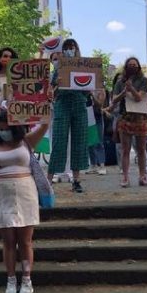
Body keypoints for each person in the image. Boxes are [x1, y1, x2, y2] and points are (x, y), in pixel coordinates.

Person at [0, 110, 49, 293]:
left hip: (25, 192)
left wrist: (43, 104)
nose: (4, 132)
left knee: (25, 241)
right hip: (2, 194)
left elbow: (45, 125)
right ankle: (10, 279)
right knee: (8, 241)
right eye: (0, 129)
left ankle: (26, 279)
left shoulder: (26, 141)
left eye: (7, 129)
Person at [48, 39, 90, 193]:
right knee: (59, 142)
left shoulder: (85, 67)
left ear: (76, 49)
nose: (69, 50)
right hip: (62, 105)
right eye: (66, 47)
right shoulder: (59, 68)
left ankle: (76, 180)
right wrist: (58, 84)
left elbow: (88, 89)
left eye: (72, 47)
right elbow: (51, 92)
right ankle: (48, 180)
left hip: (79, 104)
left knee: (79, 142)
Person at [112, 57, 147, 187]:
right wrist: (124, 91)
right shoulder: (119, 82)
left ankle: (142, 176)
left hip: (140, 117)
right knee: (125, 150)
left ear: (139, 66)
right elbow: (114, 100)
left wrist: (131, 88)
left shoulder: (144, 80)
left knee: (141, 149)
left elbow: (139, 97)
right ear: (126, 67)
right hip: (125, 117)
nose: (132, 67)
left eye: (135, 65)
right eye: (130, 65)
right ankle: (125, 177)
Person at [87, 87, 108, 176]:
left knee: (99, 142)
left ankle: (102, 165)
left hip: (97, 117)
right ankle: (93, 165)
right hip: (88, 116)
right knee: (90, 142)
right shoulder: (85, 88)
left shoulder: (100, 90)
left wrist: (92, 95)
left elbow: (100, 104)